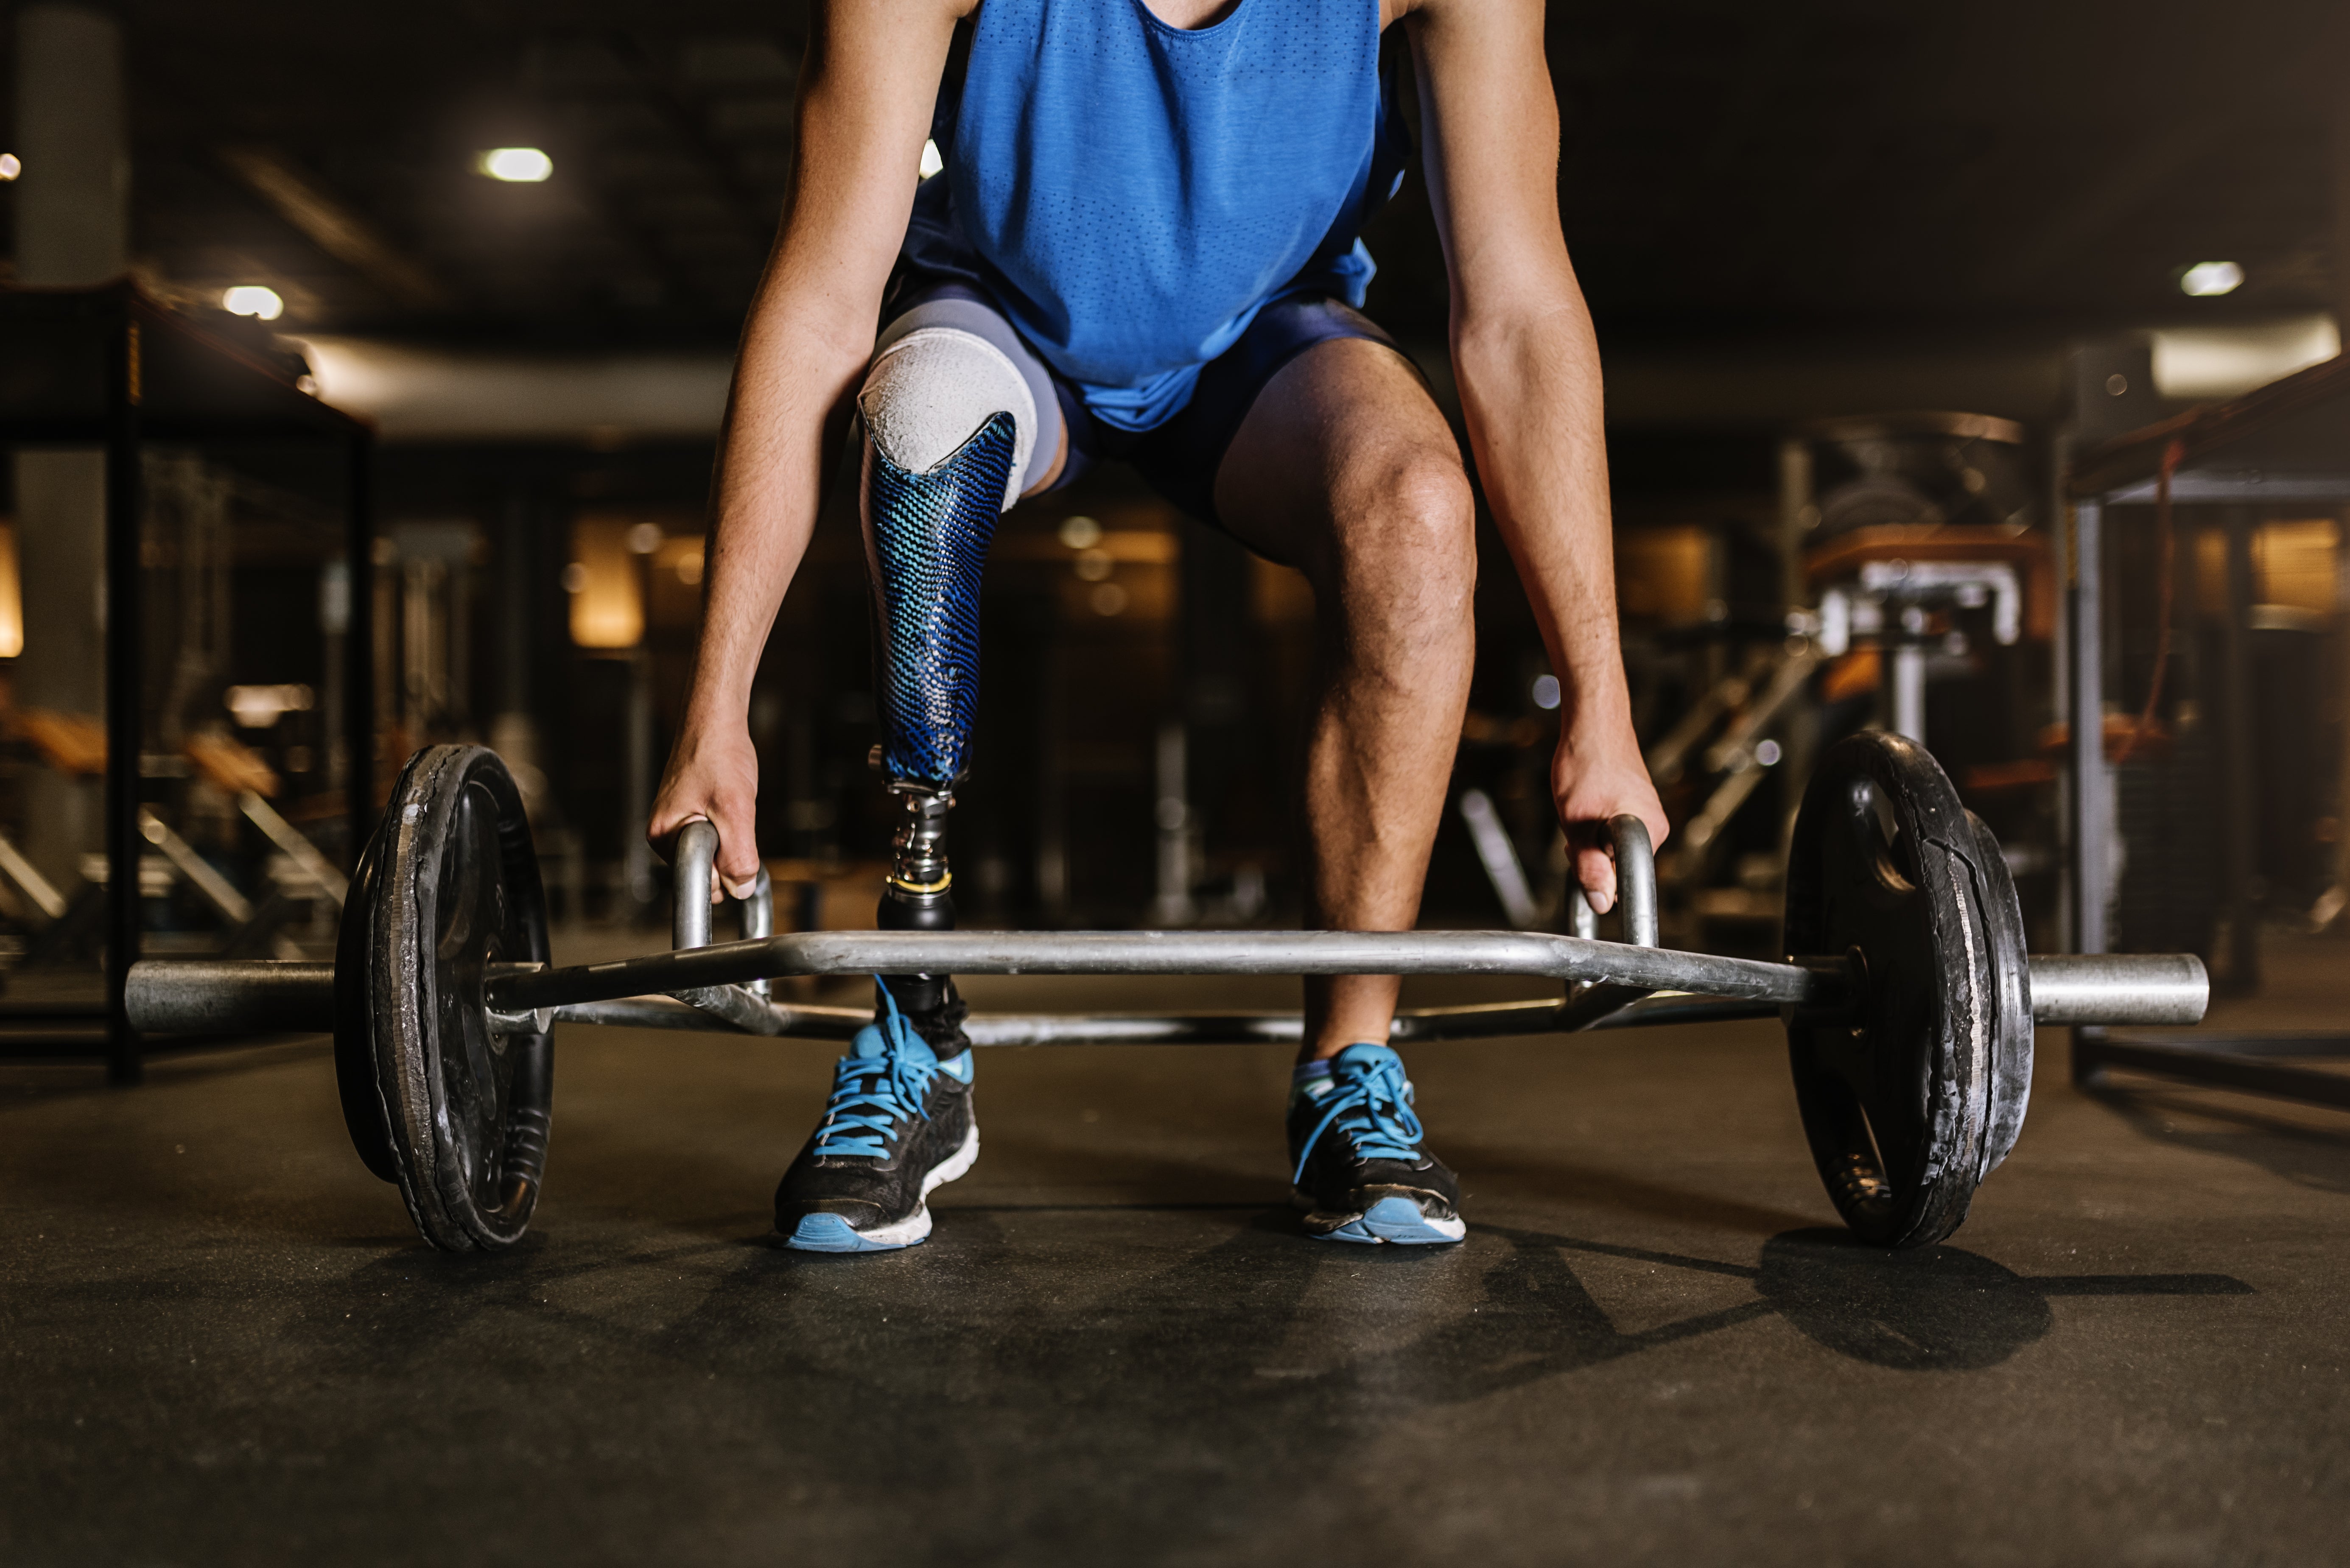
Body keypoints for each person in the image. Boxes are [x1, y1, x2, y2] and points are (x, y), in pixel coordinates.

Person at [649, 0, 1668, 1254]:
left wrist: (1601, 705)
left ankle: (1349, 1065)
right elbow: (820, 302)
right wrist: (717, 706)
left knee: (1416, 508)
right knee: (919, 428)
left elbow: (1517, 311)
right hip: (997, 318)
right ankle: (915, 1028)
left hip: (1262, 340)